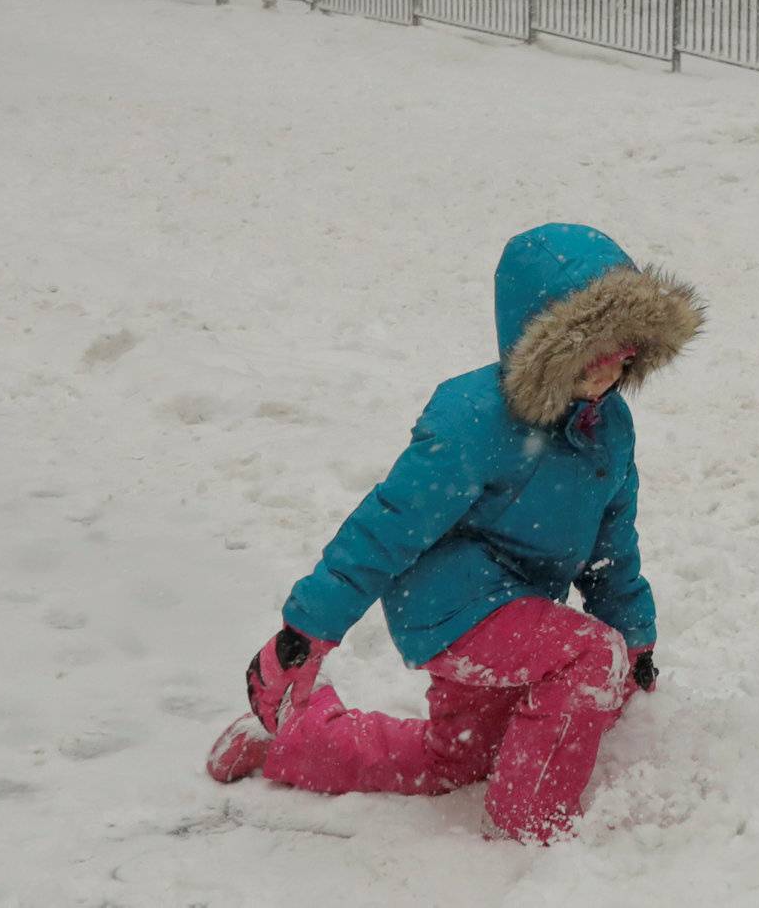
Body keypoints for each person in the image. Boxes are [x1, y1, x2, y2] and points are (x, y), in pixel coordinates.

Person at [206, 222, 704, 844]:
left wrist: (636, 637)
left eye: (623, 349)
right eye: (591, 349)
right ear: (542, 341)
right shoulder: (475, 418)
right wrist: (307, 632)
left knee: (457, 759)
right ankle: (531, 825)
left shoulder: (610, 428)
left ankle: (292, 743)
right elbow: (387, 525)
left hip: (519, 612)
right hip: (449, 604)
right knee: (586, 656)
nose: (610, 367)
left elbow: (611, 546)